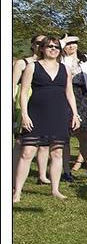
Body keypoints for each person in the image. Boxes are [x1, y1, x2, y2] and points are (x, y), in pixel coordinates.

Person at [13, 37, 81, 202]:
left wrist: (75, 114)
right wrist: (24, 114)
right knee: (27, 152)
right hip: (36, 113)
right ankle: (17, 192)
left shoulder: (65, 69)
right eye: (49, 46)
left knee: (57, 152)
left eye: (56, 46)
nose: (53, 49)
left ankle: (55, 189)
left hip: (59, 114)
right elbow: (23, 92)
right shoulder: (32, 67)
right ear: (42, 48)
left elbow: (69, 93)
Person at [13, 35, 51, 184]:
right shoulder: (23, 63)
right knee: (20, 141)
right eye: (38, 43)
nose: (41, 45)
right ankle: (13, 172)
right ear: (33, 44)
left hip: (43, 104)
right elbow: (13, 84)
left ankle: (42, 175)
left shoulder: (49, 63)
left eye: (44, 43)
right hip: (24, 101)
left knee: (44, 142)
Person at [61, 34, 87, 181]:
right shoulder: (61, 59)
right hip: (65, 97)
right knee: (65, 136)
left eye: (74, 43)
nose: (71, 46)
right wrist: (61, 43)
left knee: (86, 135)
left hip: (83, 97)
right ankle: (66, 171)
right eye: (68, 44)